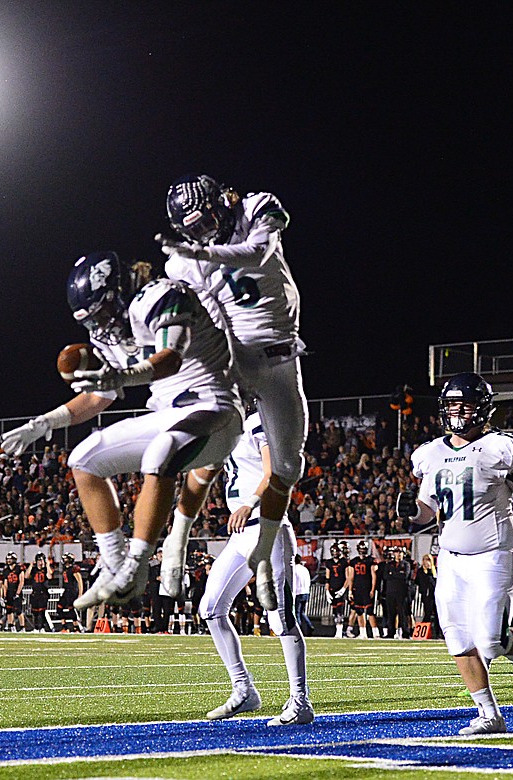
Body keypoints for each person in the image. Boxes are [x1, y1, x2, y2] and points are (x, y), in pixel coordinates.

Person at [1, 252, 242, 610]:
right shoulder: (110, 334)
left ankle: (137, 565)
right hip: (172, 414)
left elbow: (169, 358)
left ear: (118, 291)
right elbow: (100, 396)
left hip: (215, 409)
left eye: (100, 312)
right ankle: (114, 562)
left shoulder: (161, 295)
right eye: (90, 319)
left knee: (162, 451)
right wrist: (45, 422)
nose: (99, 325)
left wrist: (122, 375)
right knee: (84, 459)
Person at [158, 174, 307, 613]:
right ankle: (176, 540)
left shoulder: (257, 206)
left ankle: (262, 552)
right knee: (207, 443)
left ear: (222, 201)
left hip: (280, 359)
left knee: (287, 466)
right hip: (237, 359)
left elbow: (259, 252)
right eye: (195, 231)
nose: (205, 234)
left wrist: (201, 252)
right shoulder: (181, 264)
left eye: (208, 223)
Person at [396, 372, 513, 736]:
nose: (457, 412)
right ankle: (489, 714)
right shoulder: (430, 453)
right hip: (451, 557)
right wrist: (411, 510)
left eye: (465, 404)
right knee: (458, 638)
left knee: (490, 638)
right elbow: (427, 511)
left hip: (495, 553)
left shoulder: (503, 447)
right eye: (451, 404)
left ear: (483, 409)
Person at [199, 410, 313, 726]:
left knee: (281, 617)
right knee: (210, 608)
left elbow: (273, 471)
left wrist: (248, 502)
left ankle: (300, 701)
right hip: (240, 535)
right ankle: (243, 688)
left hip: (267, 527)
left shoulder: (257, 421)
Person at [380, 546, 413, 639]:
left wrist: (393, 573)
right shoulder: (389, 564)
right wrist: (398, 573)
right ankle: (391, 632)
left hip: (402, 592)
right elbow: (386, 576)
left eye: (400, 552)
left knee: (403, 613)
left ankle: (405, 632)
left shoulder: (406, 564)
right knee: (391, 613)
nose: (398, 554)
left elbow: (405, 576)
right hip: (390, 591)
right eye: (396, 552)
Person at [347, 541, 378, 639]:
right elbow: (351, 577)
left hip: (367, 588)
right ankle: (363, 632)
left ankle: (375, 633)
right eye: (360, 549)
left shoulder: (371, 560)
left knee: (370, 611)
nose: (362, 551)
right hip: (357, 588)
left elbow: (374, 577)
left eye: (363, 548)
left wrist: (372, 589)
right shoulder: (354, 561)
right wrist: (350, 590)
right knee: (359, 611)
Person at [322, 541, 352, 637]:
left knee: (340, 610)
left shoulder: (344, 562)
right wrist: (327, 591)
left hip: (340, 588)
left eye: (337, 551)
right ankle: (338, 630)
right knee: (335, 611)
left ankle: (339, 631)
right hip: (332, 588)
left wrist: (343, 589)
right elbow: (327, 578)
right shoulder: (329, 562)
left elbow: (348, 577)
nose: (335, 553)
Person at [56, 552, 84, 633]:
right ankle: (65, 627)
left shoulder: (74, 569)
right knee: (59, 607)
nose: (64, 560)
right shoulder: (66, 569)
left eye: (66, 558)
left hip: (72, 591)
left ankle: (76, 628)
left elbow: (80, 582)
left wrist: (80, 594)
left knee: (71, 609)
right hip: (66, 591)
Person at [27, 553, 53, 632]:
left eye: (41, 560)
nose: (40, 562)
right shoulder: (34, 570)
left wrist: (47, 565)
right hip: (35, 592)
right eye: (39, 560)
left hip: (43, 592)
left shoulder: (45, 569)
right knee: (35, 612)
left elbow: (49, 576)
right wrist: (30, 566)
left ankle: (42, 627)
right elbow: (26, 576)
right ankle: (36, 627)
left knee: (42, 611)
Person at [292, 554, 314, 637]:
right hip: (305, 592)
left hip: (298, 592)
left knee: (297, 612)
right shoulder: (304, 569)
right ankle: (309, 625)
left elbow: (294, 582)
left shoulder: (294, 569)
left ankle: (299, 629)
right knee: (302, 612)